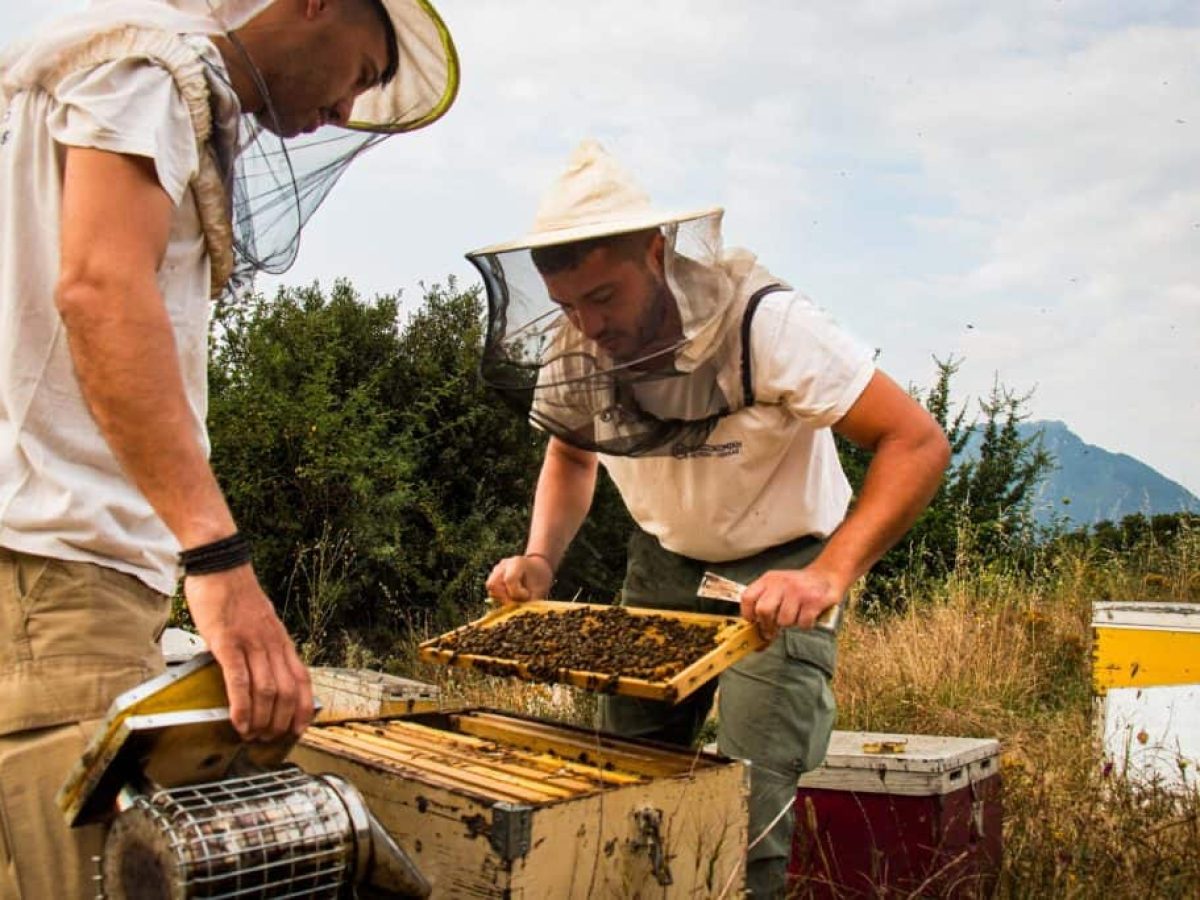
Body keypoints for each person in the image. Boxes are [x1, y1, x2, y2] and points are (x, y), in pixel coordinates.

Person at [0, 1, 458, 895]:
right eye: (362, 73)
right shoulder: (150, 71)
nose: (348, 109)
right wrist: (217, 562)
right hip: (55, 584)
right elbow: (98, 288)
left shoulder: (71, 69)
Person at [473, 140, 951, 898]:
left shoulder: (767, 324)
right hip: (664, 559)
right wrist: (539, 559)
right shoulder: (577, 345)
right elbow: (570, 457)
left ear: (656, 253)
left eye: (603, 296)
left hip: (782, 560)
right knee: (616, 780)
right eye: (567, 305)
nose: (588, 324)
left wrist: (828, 572)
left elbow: (917, 441)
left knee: (747, 799)